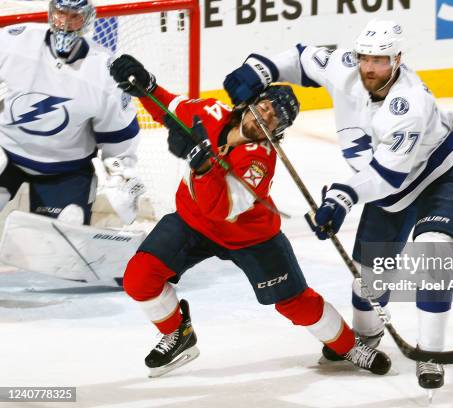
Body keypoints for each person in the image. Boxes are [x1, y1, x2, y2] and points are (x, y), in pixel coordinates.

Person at [223, 19, 453, 390]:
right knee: (370, 268)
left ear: (398, 59)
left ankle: (430, 353)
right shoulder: (346, 67)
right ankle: (367, 335)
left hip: (440, 173)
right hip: (385, 178)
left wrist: (341, 198)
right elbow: (301, 58)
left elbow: (388, 177)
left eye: (381, 60)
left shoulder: (410, 106)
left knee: (432, 251)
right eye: (366, 58)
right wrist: (260, 70)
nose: (370, 68)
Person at [109, 54, 392, 378]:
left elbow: (223, 210)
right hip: (193, 222)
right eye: (266, 107)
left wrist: (202, 168)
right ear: (251, 104)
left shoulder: (259, 161)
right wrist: (147, 88)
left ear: (278, 131)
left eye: (274, 120)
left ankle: (347, 346)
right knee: (140, 278)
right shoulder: (210, 111)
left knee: (294, 303)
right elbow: (172, 110)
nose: (266, 117)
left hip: (251, 237)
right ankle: (178, 333)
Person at [0, 0, 143, 226]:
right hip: (6, 153)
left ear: (86, 20)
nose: (65, 23)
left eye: (74, 16)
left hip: (65, 169)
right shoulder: (13, 42)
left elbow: (119, 135)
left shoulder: (105, 71)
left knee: (64, 237)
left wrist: (120, 174)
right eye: (60, 14)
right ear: (51, 13)